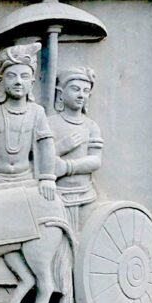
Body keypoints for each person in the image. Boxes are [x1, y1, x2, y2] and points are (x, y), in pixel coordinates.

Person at [0, 42, 56, 201]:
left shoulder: (37, 112)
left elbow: (46, 146)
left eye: (24, 76)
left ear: (32, 83)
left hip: (26, 180)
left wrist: (48, 178)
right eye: (12, 76)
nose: (18, 82)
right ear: (0, 81)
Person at [49, 67, 102, 229]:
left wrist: (67, 167)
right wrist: (61, 147)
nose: (81, 95)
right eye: (75, 89)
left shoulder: (91, 126)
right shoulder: (50, 123)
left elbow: (95, 160)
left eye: (86, 91)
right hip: (57, 194)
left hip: (86, 194)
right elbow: (38, 156)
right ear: (60, 93)